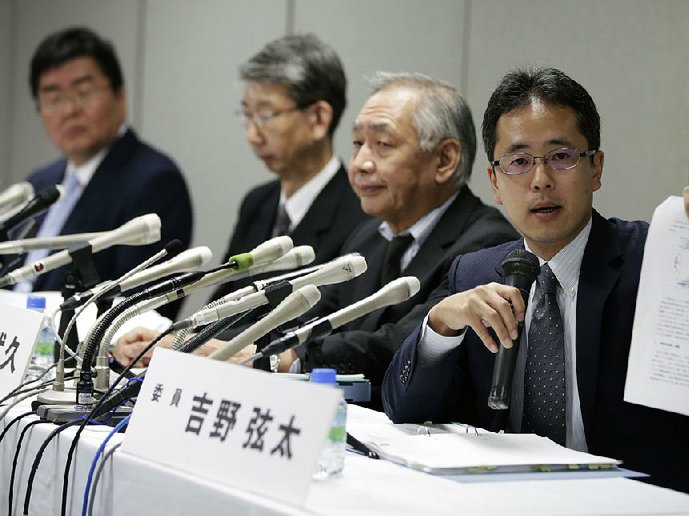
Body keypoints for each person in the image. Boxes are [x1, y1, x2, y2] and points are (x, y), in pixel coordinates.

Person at [381, 67, 689, 511]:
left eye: (561, 157)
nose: (540, 179)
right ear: (496, 182)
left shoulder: (660, 259)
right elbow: (405, 409)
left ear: (595, 168)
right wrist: (439, 326)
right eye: (519, 162)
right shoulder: (475, 274)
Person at [113, 73, 518, 406]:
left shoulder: (486, 244)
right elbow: (304, 319)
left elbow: (399, 342)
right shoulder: (369, 236)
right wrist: (192, 343)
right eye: (358, 143)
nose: (359, 164)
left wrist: (275, 361)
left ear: (444, 160)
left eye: (383, 144)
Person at [19, 27, 193, 318]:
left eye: (83, 92)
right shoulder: (40, 183)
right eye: (54, 97)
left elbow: (137, 306)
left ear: (120, 95)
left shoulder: (154, 181)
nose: (70, 109)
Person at [210, 33, 367, 299]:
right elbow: (219, 305)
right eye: (248, 115)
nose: (252, 135)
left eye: (266, 115)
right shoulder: (257, 203)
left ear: (318, 118)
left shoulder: (360, 216)